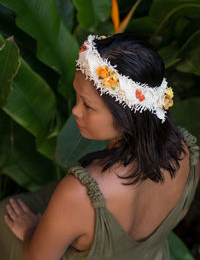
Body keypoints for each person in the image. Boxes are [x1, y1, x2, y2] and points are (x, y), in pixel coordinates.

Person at [0, 34, 199, 260]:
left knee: (4, 214)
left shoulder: (80, 193)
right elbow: (178, 214)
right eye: (76, 97)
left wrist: (30, 230)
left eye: (87, 105)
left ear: (126, 116)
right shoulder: (188, 154)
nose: (75, 111)